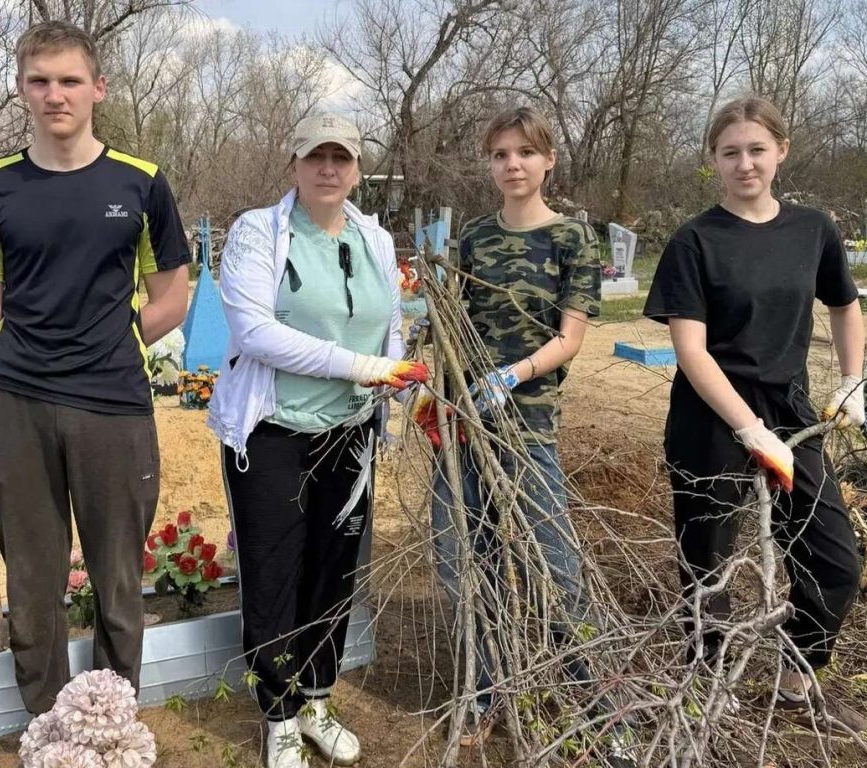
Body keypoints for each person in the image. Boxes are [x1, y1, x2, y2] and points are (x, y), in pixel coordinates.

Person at [0, 21, 191, 714]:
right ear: (23, 89)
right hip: (16, 405)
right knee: (33, 582)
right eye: (41, 80)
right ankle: (50, 728)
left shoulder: (141, 184)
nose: (56, 94)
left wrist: (116, 339)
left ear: (98, 89)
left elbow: (173, 295)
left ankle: (111, 723)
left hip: (113, 403)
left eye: (70, 80)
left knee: (116, 580)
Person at [208, 113, 428, 768]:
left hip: (350, 434)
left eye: (342, 158)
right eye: (316, 157)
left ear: (357, 168)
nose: (328, 169)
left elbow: (390, 325)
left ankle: (316, 700)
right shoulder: (257, 233)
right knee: (274, 573)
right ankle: (276, 715)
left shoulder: (375, 239)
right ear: (295, 164)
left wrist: (395, 379)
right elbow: (255, 332)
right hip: (274, 435)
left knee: (335, 571)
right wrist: (362, 367)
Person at [416, 106, 632, 763]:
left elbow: (570, 338)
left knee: (557, 572)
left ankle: (592, 700)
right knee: (464, 563)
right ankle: (481, 694)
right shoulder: (474, 240)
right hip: (466, 430)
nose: (512, 164)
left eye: (524, 153)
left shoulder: (572, 240)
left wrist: (513, 375)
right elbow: (450, 322)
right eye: (500, 154)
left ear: (548, 161)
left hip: (529, 429)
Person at [644, 96, 865, 727]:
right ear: (713, 160)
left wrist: (853, 381)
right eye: (730, 152)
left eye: (757, 150)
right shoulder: (695, 240)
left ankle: (798, 674)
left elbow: (845, 306)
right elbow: (690, 349)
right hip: (711, 414)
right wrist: (748, 429)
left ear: (781, 151)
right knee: (708, 559)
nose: (745, 163)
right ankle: (709, 682)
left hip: (790, 408)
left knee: (832, 558)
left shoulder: (812, 230)